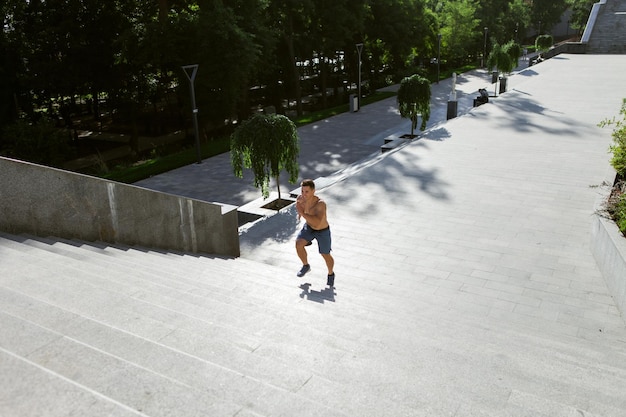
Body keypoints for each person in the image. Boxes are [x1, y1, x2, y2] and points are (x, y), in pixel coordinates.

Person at [295, 179, 335, 287]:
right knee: (298, 244)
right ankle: (305, 265)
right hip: (309, 228)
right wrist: (299, 213)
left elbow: (317, 222)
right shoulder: (301, 198)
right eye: (302, 191)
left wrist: (302, 213)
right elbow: (298, 204)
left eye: (307, 192)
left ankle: (331, 273)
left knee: (325, 254)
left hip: (322, 230)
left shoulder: (320, 204)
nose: (304, 194)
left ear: (313, 191)